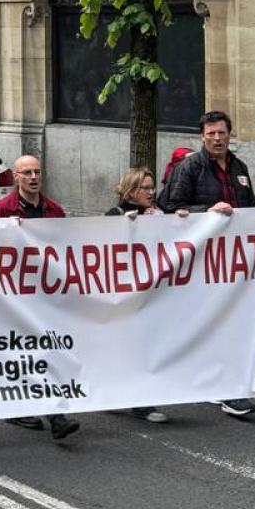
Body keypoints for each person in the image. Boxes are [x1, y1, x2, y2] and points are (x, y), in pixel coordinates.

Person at [159, 110, 255, 421]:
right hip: (203, 260)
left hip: (234, 263)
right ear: (201, 137)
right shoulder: (189, 167)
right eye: (211, 134)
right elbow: (171, 208)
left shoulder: (239, 167)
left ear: (229, 135)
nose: (217, 138)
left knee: (232, 322)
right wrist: (208, 210)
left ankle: (224, 382)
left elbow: (250, 210)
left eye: (222, 133)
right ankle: (220, 385)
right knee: (210, 321)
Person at [0, 154, 78, 441]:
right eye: (27, 173)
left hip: (45, 293)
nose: (33, 177)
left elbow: (66, 248)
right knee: (21, 352)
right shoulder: (1, 210)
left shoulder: (54, 211)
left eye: (37, 172)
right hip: (15, 294)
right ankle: (35, 410)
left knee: (47, 350)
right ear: (16, 177)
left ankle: (54, 413)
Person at [105, 166, 191, 425]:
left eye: (153, 187)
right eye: (145, 188)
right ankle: (138, 402)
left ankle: (131, 396)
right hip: (125, 296)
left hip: (152, 295)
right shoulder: (115, 214)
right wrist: (124, 227)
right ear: (131, 191)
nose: (152, 192)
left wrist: (183, 220)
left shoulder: (158, 215)